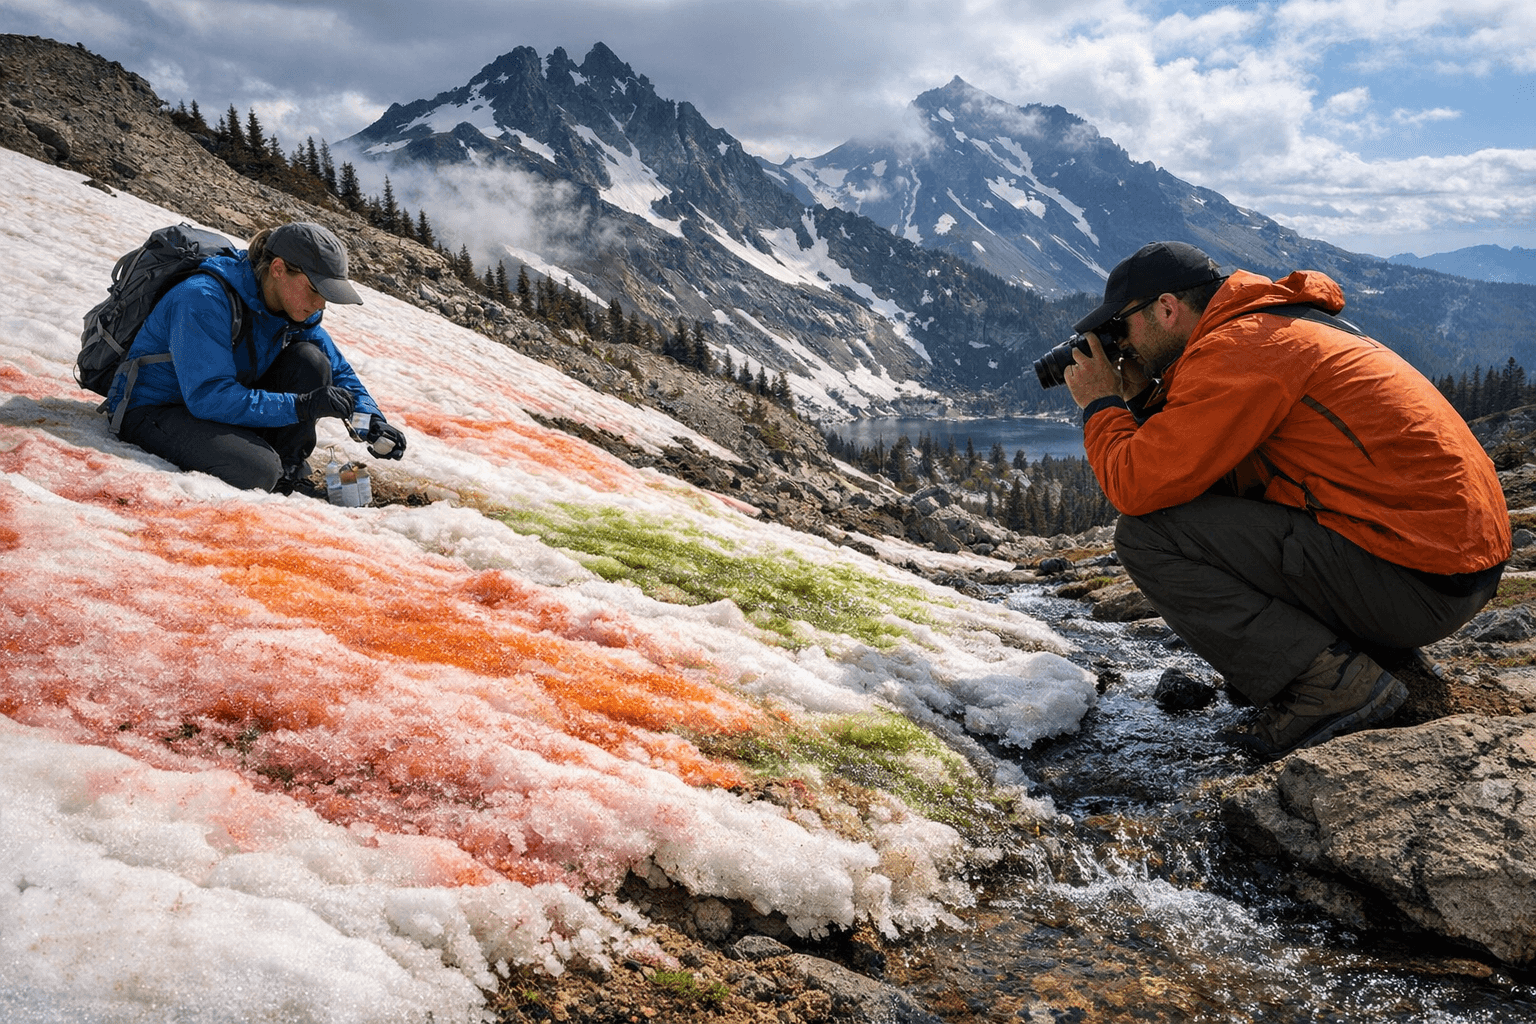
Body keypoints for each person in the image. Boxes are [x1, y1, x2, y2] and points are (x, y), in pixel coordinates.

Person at [1061, 240, 1510, 759]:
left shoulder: (1241, 349)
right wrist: (1141, 398)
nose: (1123, 343)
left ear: (1166, 308)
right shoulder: (1276, 326)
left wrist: (1101, 403)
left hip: (1419, 584)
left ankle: (1332, 687)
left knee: (1147, 537)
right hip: (1448, 571)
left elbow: (1135, 487)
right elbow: (1207, 474)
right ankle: (1344, 658)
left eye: (1122, 325)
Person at [108, 221, 407, 495]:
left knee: (311, 360)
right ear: (278, 268)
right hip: (155, 410)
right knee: (258, 469)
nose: (321, 304)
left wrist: (371, 421)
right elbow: (208, 396)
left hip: (217, 406)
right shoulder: (203, 299)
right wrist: (301, 406)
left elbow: (338, 371)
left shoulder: (292, 309)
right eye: (315, 290)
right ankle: (274, 471)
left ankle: (289, 472)